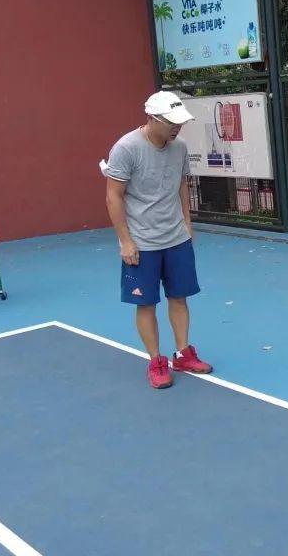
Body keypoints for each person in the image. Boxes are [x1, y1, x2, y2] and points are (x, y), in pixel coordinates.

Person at [105, 91, 212, 389]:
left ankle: (183, 354)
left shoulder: (179, 148)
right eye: (171, 122)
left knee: (180, 297)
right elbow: (113, 196)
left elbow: (181, 184)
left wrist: (187, 224)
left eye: (180, 122)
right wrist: (125, 241)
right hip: (142, 242)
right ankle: (156, 360)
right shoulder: (126, 148)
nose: (177, 127)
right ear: (152, 119)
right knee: (147, 304)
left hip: (176, 237)